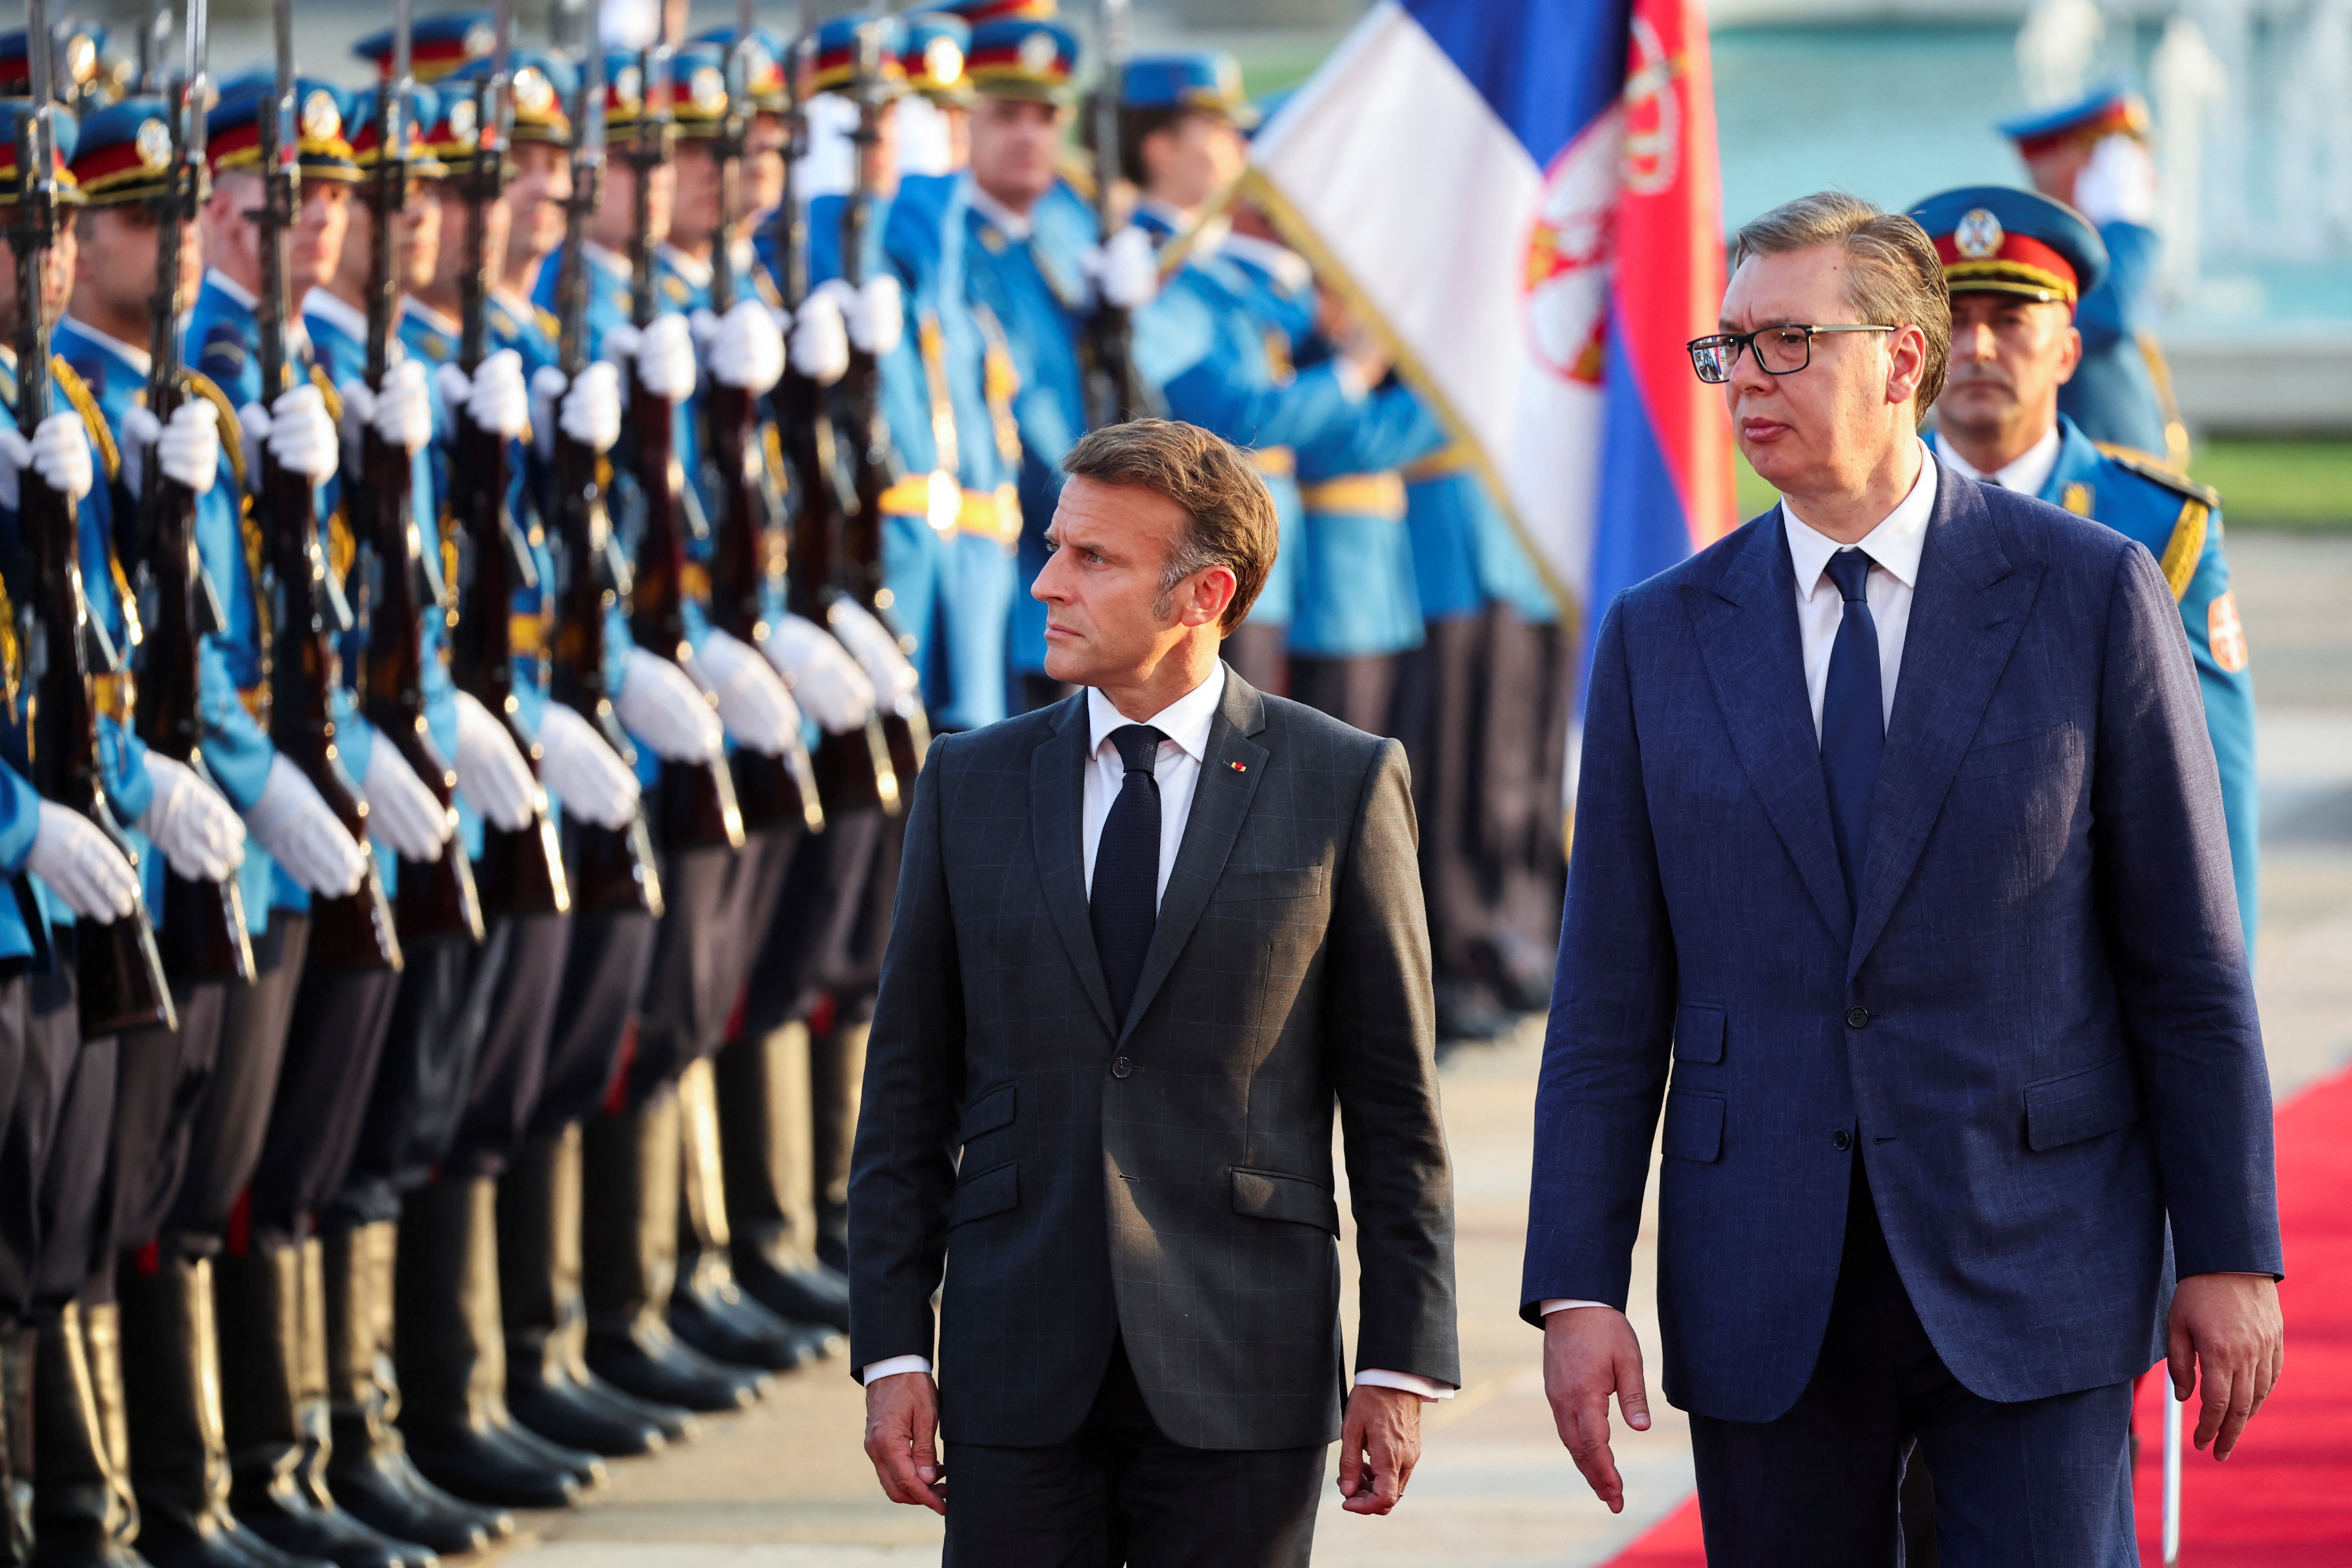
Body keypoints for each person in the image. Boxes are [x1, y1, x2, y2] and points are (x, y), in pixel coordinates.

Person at [1524, 191, 2282, 1563]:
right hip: (1763, 1277)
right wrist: (1573, 1284)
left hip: (2033, 1253)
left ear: (1901, 358)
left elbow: (2184, 962)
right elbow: (1604, 1006)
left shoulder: (2088, 590)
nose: (1744, 381)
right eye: (1727, 347)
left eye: (1784, 344)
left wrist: (2228, 1249)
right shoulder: (1659, 635)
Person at [851, 417, 1458, 1564]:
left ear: (1203, 594)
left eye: (1093, 560)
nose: (1045, 582)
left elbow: (1394, 1108)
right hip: (1014, 1364)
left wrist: (1396, 1358)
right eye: (1054, 546)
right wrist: (891, 1351)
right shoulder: (967, 782)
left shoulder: (1341, 780)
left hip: (1247, 1366)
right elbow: (905, 1097)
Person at [1913, 184, 2258, 953]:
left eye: (2008, 320)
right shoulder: (1861, 513)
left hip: (2084, 974)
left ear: (2068, 349)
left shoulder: (2159, 528)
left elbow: (2215, 802)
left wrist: (2223, 1024)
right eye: (1954, 322)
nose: (1977, 348)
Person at [1997, 85, 2186, 470]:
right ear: (2077, 163)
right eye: (2124, 162)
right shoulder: (2025, 262)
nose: (2147, 178)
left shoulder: (2088, 265)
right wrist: (2124, 225)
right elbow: (2105, 316)